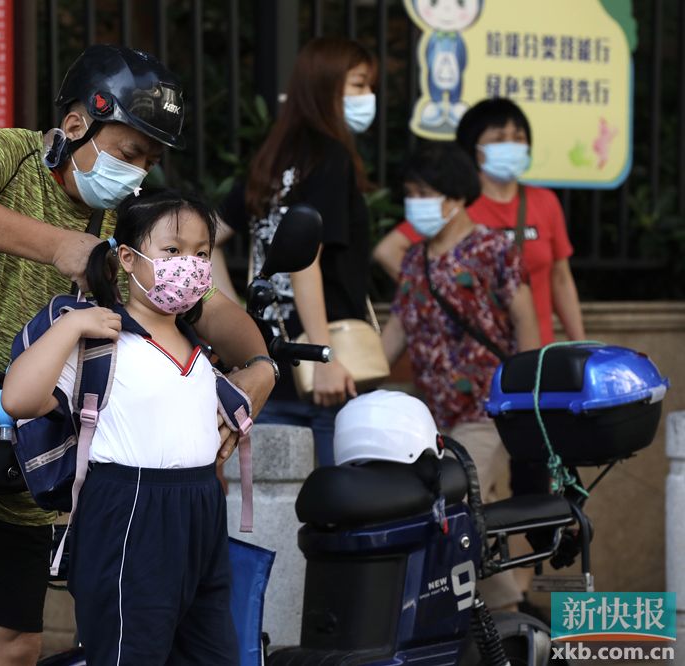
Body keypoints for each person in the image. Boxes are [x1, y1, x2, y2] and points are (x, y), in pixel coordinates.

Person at [0, 45, 276, 666]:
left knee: (14, 643)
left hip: (28, 435)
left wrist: (260, 370)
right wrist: (60, 247)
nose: (137, 173)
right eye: (128, 153)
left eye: (150, 161)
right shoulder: (6, 152)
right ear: (77, 125)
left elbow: (206, 308)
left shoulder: (125, 224)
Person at [3, 189, 238, 665]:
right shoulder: (102, 338)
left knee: (210, 652)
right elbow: (18, 398)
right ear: (128, 259)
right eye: (172, 251)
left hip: (200, 511)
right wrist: (70, 327)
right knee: (130, 653)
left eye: (200, 253)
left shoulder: (197, 346)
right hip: (129, 507)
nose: (188, 265)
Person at [380, 142, 539, 611]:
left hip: (488, 411)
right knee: (459, 511)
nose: (416, 202)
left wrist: (524, 398)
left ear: (453, 195)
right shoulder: (415, 260)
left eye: (424, 191)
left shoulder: (494, 250)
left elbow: (525, 321)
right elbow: (395, 335)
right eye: (410, 192)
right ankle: (493, 616)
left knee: (456, 502)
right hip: (431, 419)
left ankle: (508, 612)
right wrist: (345, 373)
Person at [215, 37, 377, 466]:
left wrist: (237, 318)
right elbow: (307, 262)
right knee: (330, 510)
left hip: (268, 366)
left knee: (271, 515)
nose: (368, 98)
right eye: (359, 84)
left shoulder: (273, 159)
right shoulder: (330, 157)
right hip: (324, 371)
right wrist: (322, 357)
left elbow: (205, 239)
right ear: (327, 85)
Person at [373, 97, 585, 345]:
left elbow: (560, 278)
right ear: (473, 147)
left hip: (537, 352)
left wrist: (580, 343)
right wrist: (438, 294)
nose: (511, 145)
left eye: (518, 137)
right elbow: (387, 251)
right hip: (474, 349)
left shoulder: (545, 201)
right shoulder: (456, 206)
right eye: (498, 139)